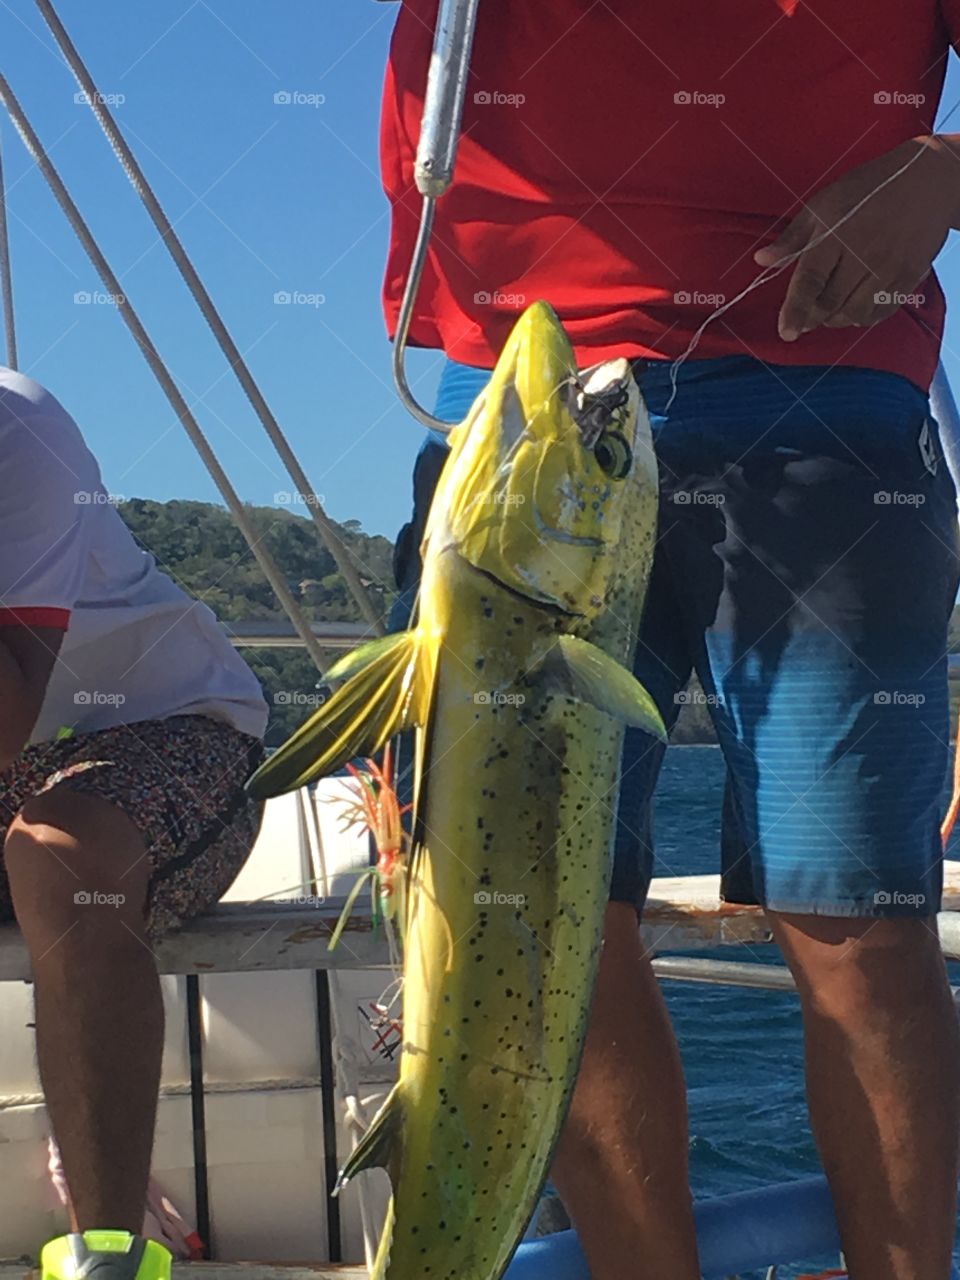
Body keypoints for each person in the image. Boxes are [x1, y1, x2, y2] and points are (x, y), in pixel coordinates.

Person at [382, 3, 960, 1277]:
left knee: (857, 917)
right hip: (524, 395)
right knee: (528, 915)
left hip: (823, 386)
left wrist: (950, 166)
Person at [0, 367, 268, 1280]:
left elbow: (6, 717)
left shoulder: (16, 430)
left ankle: (108, 1252)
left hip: (170, 731)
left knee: (59, 855)